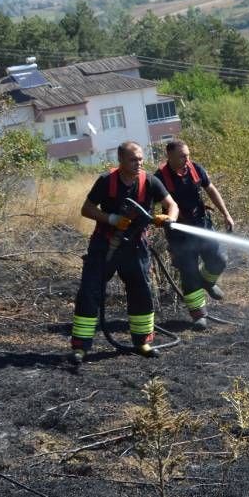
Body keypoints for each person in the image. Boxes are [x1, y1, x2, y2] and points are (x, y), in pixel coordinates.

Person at [69, 141, 178, 363]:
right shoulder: (106, 181)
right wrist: (111, 219)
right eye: (133, 159)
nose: (139, 163)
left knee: (141, 292)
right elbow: (86, 209)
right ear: (120, 161)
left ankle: (142, 342)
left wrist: (169, 218)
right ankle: (80, 348)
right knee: (90, 291)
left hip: (136, 246)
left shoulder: (149, 181)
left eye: (140, 158)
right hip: (104, 245)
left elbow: (171, 204)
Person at [157, 139, 235, 330]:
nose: (187, 159)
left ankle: (207, 281)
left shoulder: (195, 169)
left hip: (202, 225)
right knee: (189, 273)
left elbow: (211, 190)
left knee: (219, 259)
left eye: (188, 155)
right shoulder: (160, 178)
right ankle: (198, 315)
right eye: (182, 156)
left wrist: (226, 214)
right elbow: (151, 203)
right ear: (170, 156)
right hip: (179, 233)